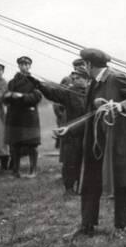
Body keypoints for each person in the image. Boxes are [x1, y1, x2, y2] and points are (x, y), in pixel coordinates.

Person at [73, 48, 126, 237]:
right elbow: (90, 111)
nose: (83, 67)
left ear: (89, 65)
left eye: (84, 64)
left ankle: (122, 226)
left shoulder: (116, 77)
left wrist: (121, 105)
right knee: (89, 181)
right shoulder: (93, 83)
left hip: (117, 138)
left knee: (121, 181)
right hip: (95, 139)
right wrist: (70, 128)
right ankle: (87, 225)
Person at [29, 66, 89, 197]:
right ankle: (69, 189)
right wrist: (39, 85)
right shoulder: (69, 92)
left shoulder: (92, 92)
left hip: (88, 134)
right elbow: (52, 93)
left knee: (85, 161)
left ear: (86, 79)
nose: (74, 79)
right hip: (72, 134)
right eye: (74, 77)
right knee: (70, 162)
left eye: (78, 77)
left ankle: (82, 186)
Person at [4, 56, 42, 179]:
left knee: (32, 145)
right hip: (15, 116)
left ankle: (33, 170)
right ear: (19, 66)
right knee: (15, 145)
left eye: (27, 64)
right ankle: (15, 171)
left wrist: (21, 96)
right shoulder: (12, 82)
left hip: (29, 117)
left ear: (30, 66)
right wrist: (9, 95)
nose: (24, 66)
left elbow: (37, 98)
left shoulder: (34, 81)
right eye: (22, 64)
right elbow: (5, 98)